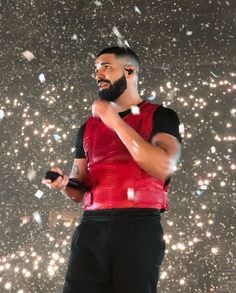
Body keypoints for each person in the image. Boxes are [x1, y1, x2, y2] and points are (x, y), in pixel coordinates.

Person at [42, 46, 182, 293]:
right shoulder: (88, 128)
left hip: (138, 226)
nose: (98, 75)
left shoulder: (161, 116)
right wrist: (65, 184)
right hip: (91, 228)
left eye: (106, 67)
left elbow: (163, 166)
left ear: (129, 71)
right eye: (96, 69)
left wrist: (115, 121)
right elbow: (79, 191)